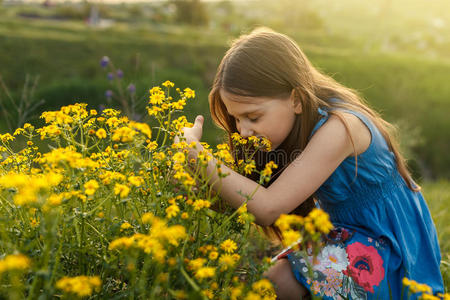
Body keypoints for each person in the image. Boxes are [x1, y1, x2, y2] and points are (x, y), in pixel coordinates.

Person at [179, 27, 444, 299]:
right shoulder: (295, 125)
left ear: (295, 99)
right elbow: (247, 198)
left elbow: (268, 208)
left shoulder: (341, 128)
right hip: (349, 236)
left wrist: (197, 155)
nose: (243, 131)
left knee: (276, 283)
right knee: (269, 281)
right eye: (236, 119)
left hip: (390, 246)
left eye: (254, 117)